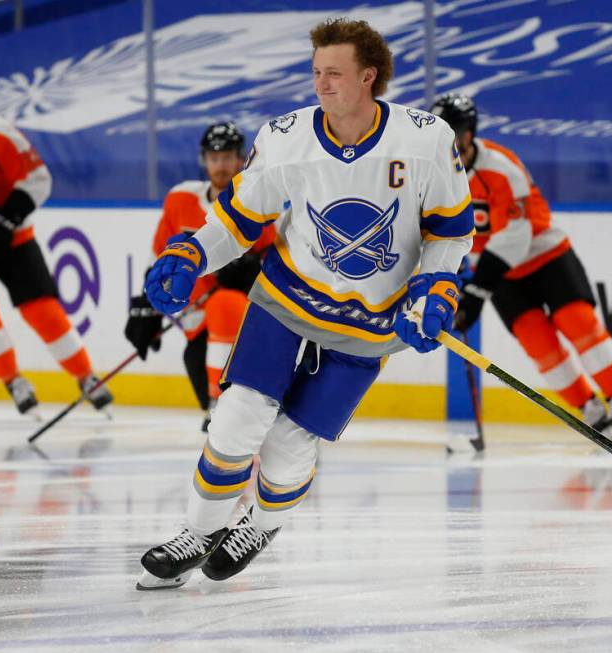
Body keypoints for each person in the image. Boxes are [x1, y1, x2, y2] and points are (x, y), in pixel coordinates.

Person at [135, 18, 473, 590]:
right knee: (237, 419)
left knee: (290, 448)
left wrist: (437, 285)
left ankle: (261, 525)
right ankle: (197, 531)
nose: (321, 84)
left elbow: (451, 229)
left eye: (334, 73)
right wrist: (194, 252)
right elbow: (240, 220)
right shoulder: (286, 136)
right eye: (316, 71)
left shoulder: (425, 139)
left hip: (370, 323)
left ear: (369, 77)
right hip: (286, 301)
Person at [429, 94, 612, 444]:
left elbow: (516, 234)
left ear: (469, 135)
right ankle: (590, 411)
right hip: (500, 274)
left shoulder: (500, 167)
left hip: (545, 255)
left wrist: (478, 289)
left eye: (452, 133)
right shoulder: (433, 176)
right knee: (538, 342)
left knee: (577, 322)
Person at [125, 123, 274, 429]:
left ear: (241, 159)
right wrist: (148, 305)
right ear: (204, 159)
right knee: (195, 361)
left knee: (224, 305)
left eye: (228, 157)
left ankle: (221, 403)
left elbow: (276, 260)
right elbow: (161, 259)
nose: (221, 165)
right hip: (198, 321)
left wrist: (250, 271)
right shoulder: (180, 199)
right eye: (214, 157)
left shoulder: (258, 199)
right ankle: (217, 404)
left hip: (246, 318)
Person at [0, 117, 112, 414]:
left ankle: (85, 376)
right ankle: (12, 380)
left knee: (41, 309)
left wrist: (5, 220)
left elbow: (38, 179)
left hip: (13, 234)